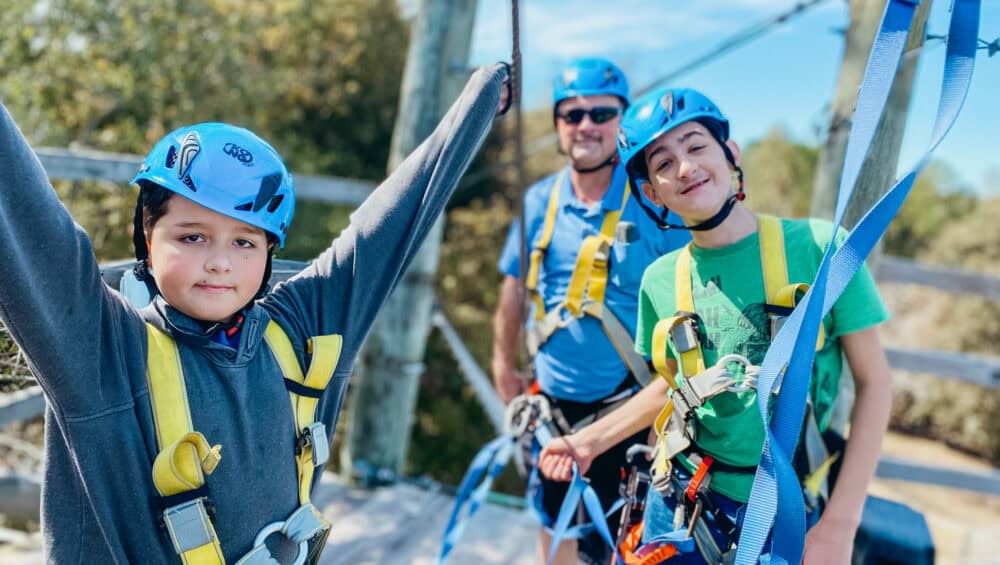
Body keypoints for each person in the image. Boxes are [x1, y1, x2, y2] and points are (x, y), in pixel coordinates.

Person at [0, 64, 509, 564]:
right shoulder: (102, 352)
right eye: (192, 236)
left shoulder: (298, 335)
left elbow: (389, 228)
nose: (220, 261)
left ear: (269, 255)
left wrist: (480, 102)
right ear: (146, 240)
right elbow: (21, 211)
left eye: (245, 241)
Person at [538, 87, 892, 564]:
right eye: (662, 164)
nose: (684, 168)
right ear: (650, 192)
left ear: (730, 155)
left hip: (785, 512)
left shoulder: (819, 248)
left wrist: (840, 526)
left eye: (696, 146)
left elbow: (876, 384)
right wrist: (587, 442)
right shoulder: (661, 281)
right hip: (683, 501)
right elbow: (674, 388)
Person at [492, 58, 690, 564]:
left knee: (628, 541)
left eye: (602, 113)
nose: (586, 125)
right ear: (558, 126)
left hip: (629, 410)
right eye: (572, 114)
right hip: (553, 406)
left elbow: (690, 302)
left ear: (622, 123)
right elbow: (514, 289)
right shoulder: (539, 202)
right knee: (554, 530)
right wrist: (501, 366)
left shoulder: (654, 204)